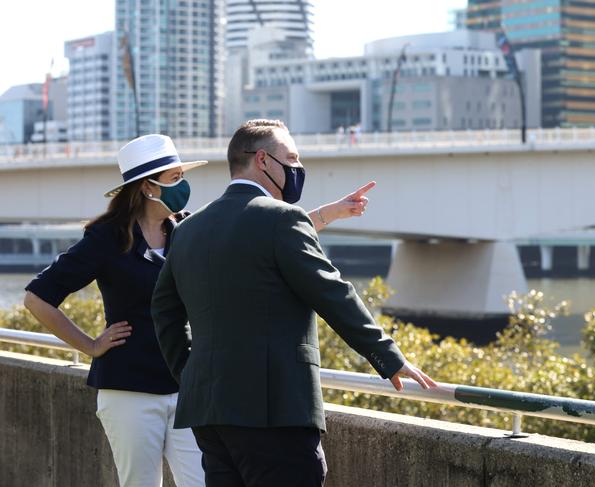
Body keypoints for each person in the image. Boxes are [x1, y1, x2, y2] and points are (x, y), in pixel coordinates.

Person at [23, 133, 372, 487]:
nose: (183, 186)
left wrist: (331, 212)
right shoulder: (106, 239)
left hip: (188, 389)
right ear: (147, 187)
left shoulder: (186, 229)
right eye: (175, 178)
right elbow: (37, 298)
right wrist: (90, 346)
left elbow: (263, 233)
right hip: (129, 390)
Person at [151, 119, 436, 487]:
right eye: (293, 158)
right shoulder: (283, 219)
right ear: (263, 160)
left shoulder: (189, 229)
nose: (299, 168)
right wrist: (387, 356)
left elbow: (163, 310)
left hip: (210, 412)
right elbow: (333, 293)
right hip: (275, 411)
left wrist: (190, 374)